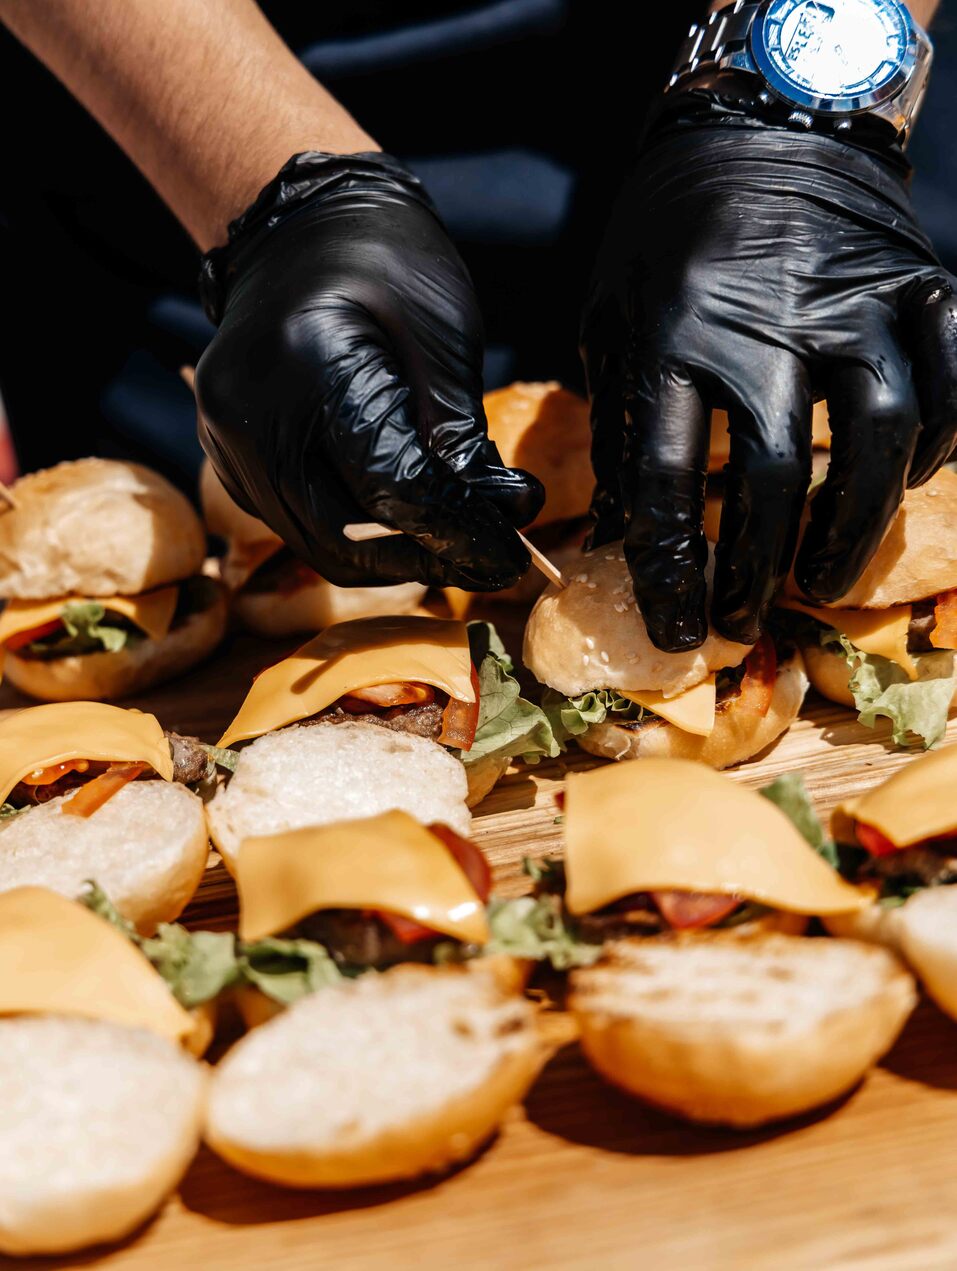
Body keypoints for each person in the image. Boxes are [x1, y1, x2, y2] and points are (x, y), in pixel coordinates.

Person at [1, 0, 954, 649]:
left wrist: (798, 107)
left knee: (847, 480)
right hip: (172, 115)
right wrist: (279, 197)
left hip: (761, 107)